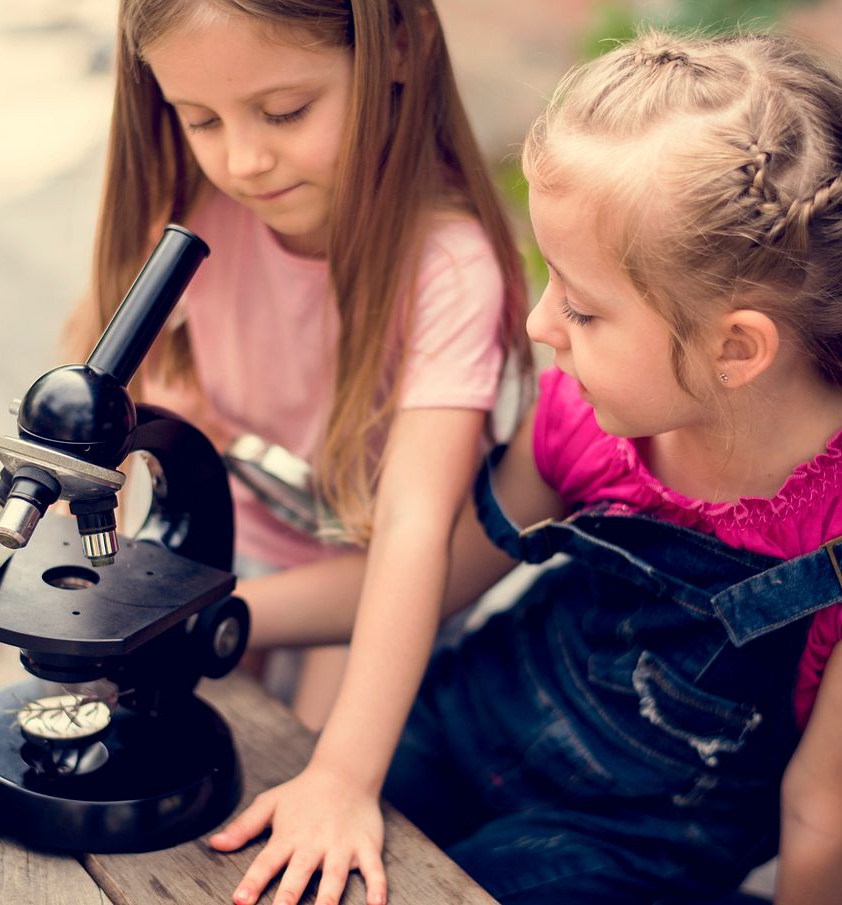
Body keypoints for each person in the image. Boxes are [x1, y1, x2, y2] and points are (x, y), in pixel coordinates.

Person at [0, 0, 530, 898]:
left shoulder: (448, 269)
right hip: (217, 557)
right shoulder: (197, 217)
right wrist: (25, 587)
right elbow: (98, 432)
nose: (243, 158)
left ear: (399, 42)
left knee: (291, 790)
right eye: (201, 120)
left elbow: (411, 533)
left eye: (284, 112)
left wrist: (344, 778)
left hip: (362, 592)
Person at [227, 27, 842, 905]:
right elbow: (428, 575)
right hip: (467, 721)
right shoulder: (585, 423)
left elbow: (822, 813)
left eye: (584, 310)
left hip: (624, 847)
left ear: (735, 347)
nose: (539, 325)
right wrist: (215, 617)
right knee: (269, 832)